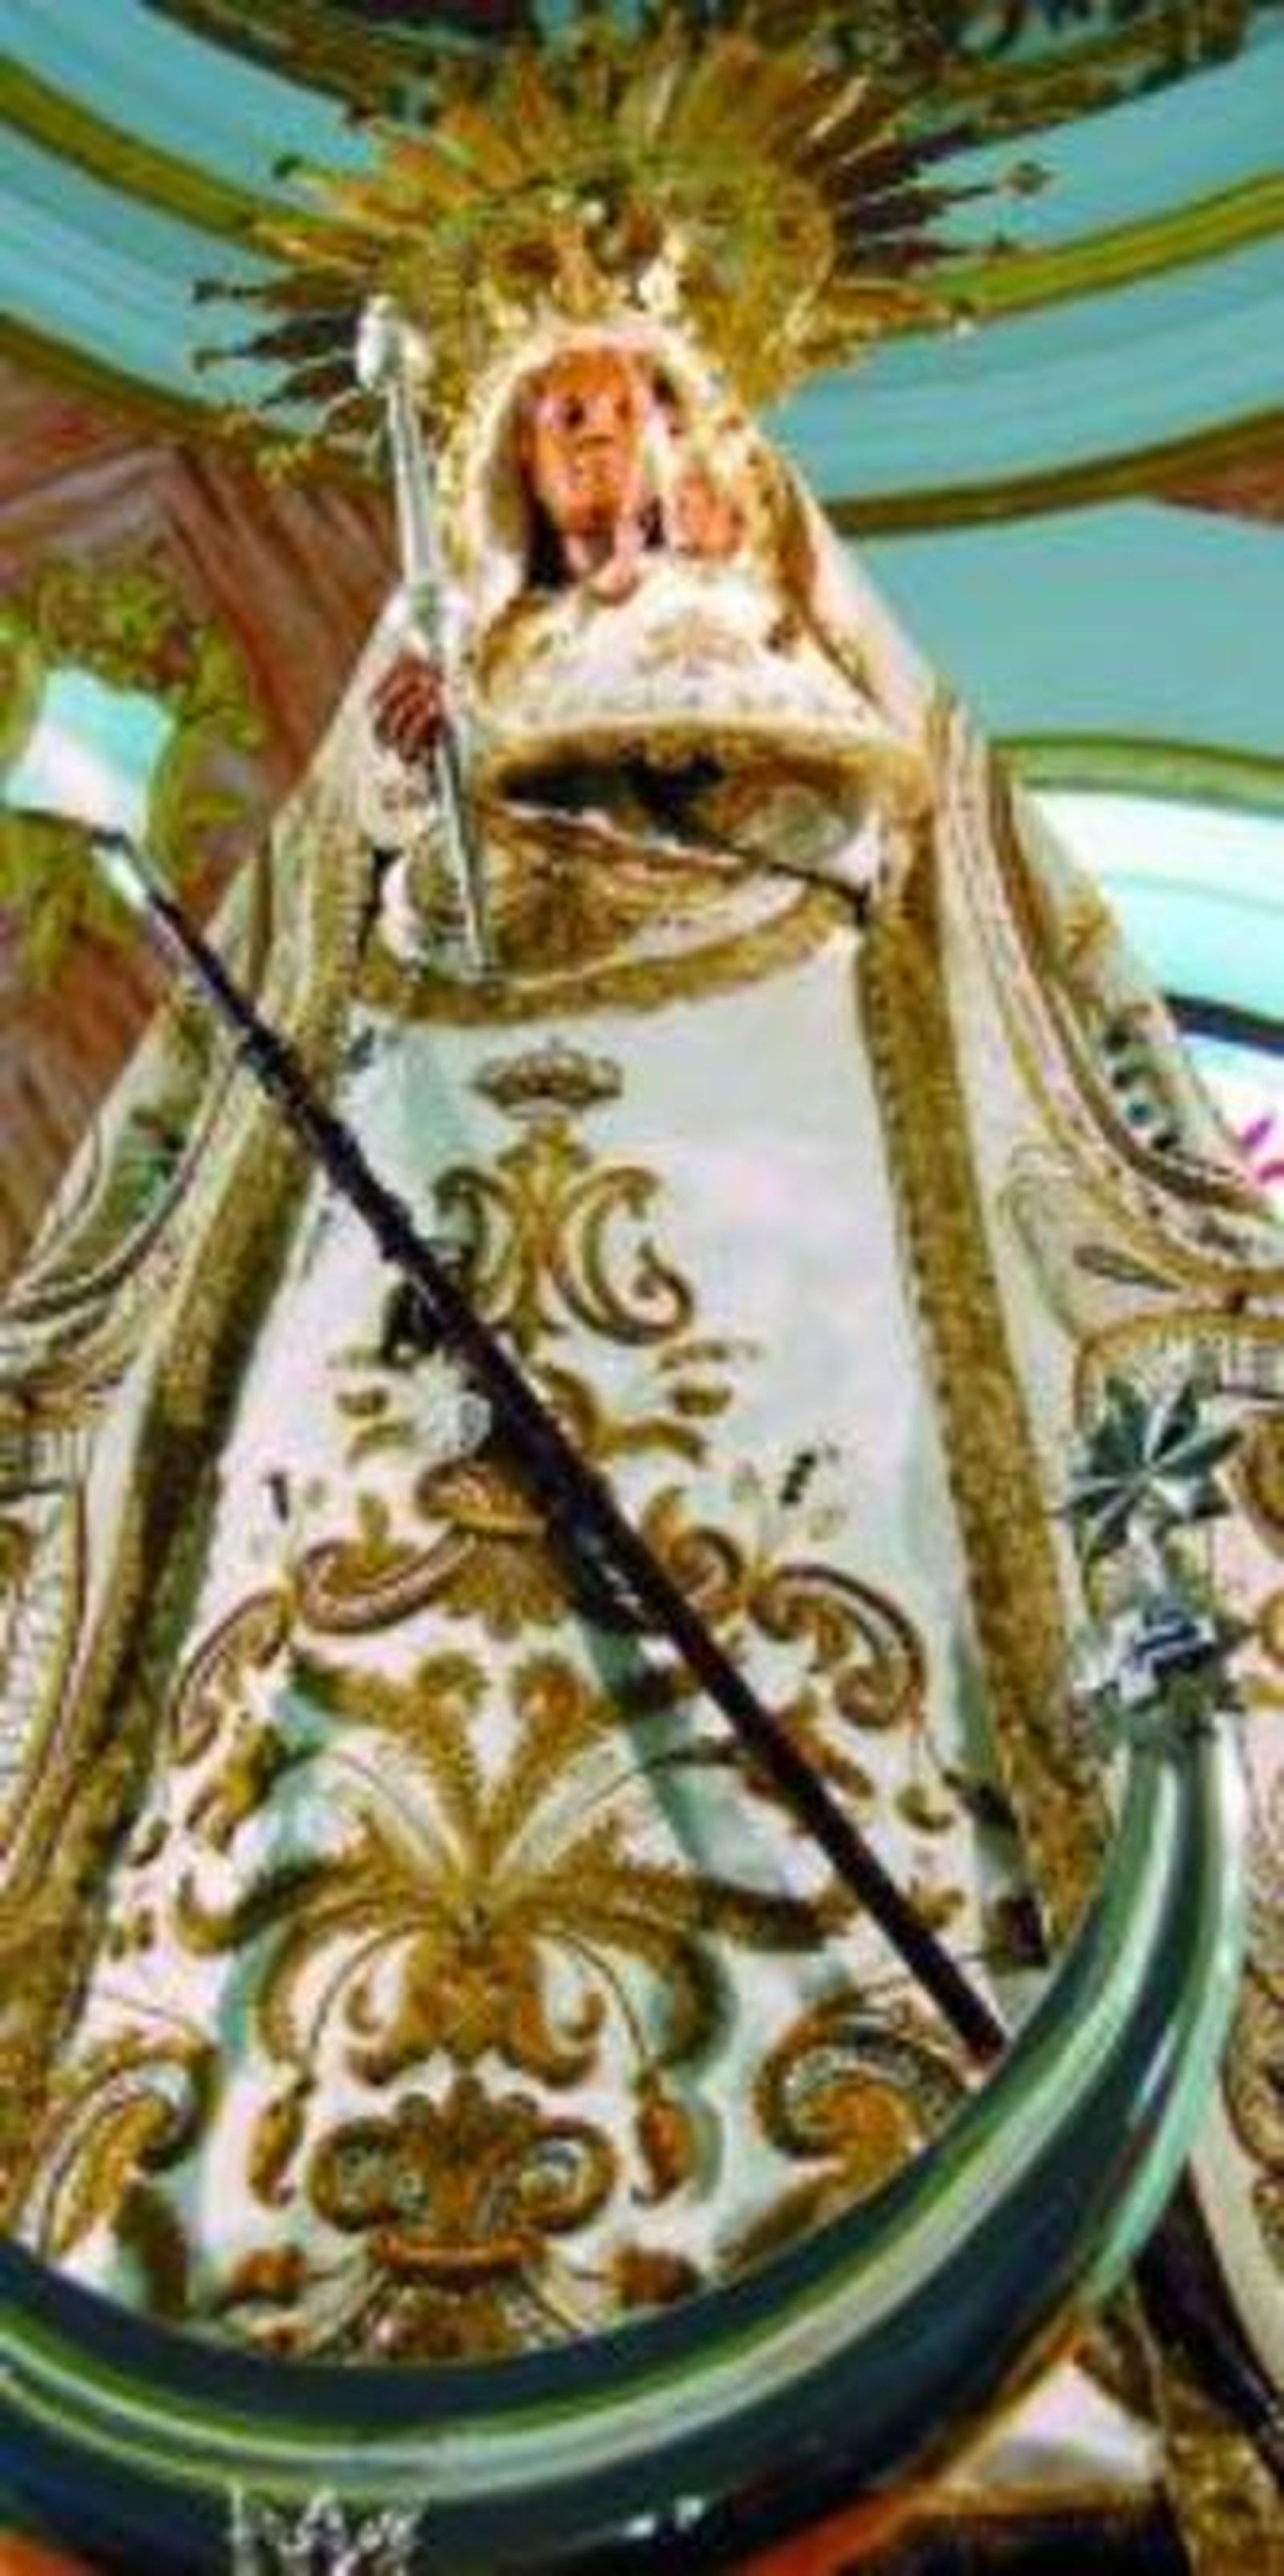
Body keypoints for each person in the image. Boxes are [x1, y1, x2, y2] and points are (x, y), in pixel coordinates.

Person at [1, 258, 1280, 2576]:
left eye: (630, 411)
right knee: (320, 1624)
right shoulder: (436, 684)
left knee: (822, 1563)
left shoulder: (816, 666)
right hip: (421, 1282)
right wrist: (402, 795)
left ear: (707, 443)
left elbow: (931, 910)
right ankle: (227, 2231)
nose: (602, 456)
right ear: (517, 471)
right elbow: (315, 984)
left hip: (769, 1222)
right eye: (561, 425)